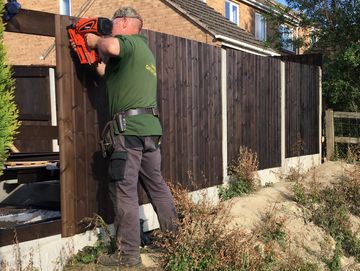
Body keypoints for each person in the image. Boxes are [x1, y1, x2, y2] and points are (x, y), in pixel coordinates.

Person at [84, 7, 178, 269]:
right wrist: (96, 65)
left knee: (124, 191)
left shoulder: (128, 43)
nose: (110, 28)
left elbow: (111, 47)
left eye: (114, 24)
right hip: (149, 130)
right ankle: (176, 241)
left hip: (129, 132)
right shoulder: (144, 52)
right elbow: (114, 75)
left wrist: (95, 41)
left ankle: (128, 257)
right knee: (157, 187)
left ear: (125, 23)